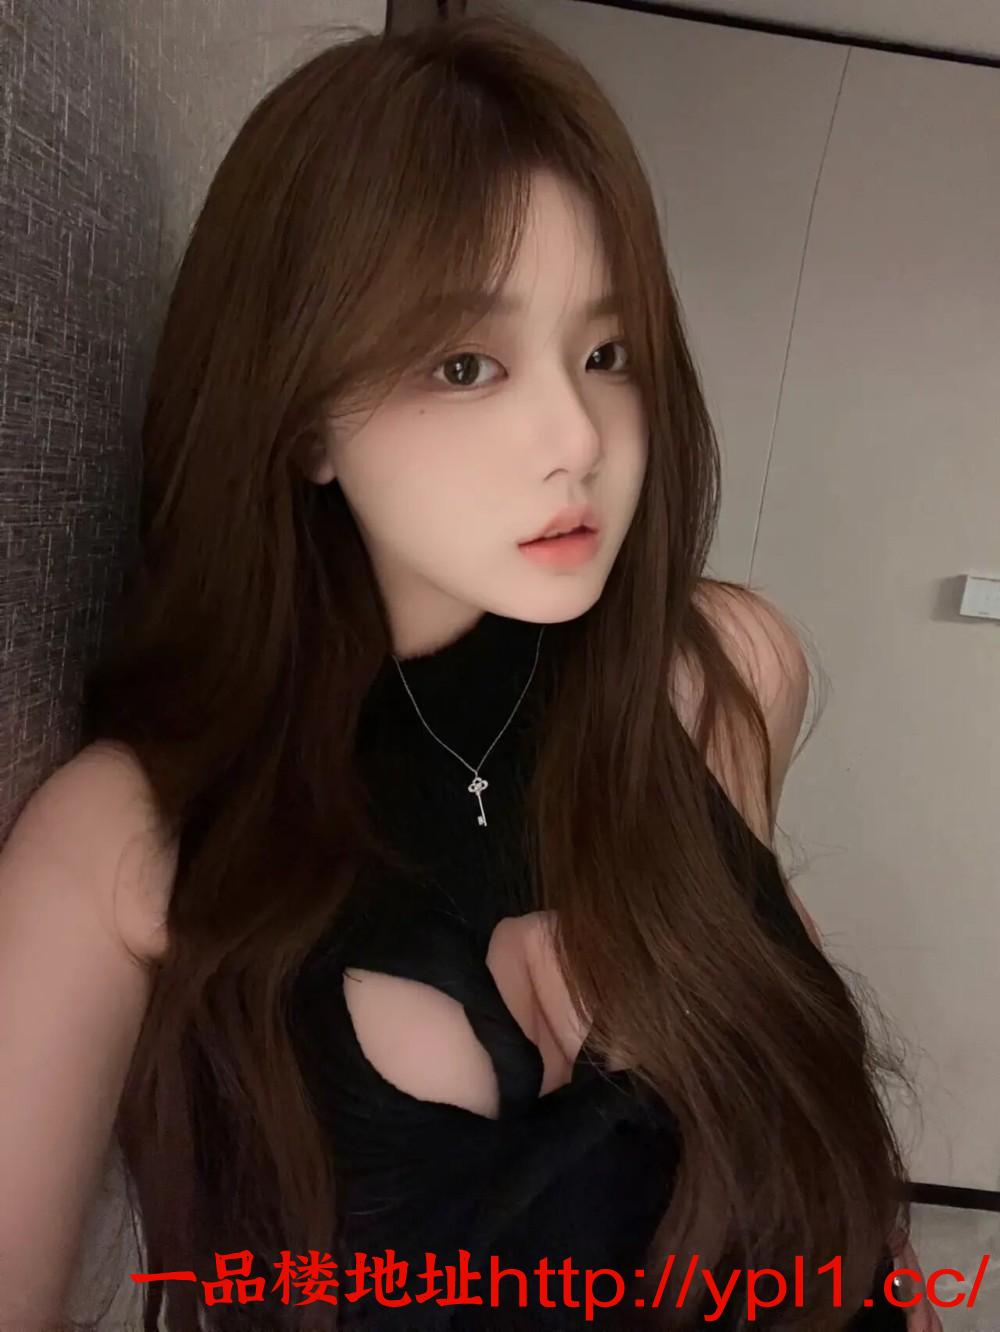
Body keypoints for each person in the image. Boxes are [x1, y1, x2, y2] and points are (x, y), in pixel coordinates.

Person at [0, 10, 944, 1332]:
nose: (579, 436)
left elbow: (813, 1144)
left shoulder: (715, 674)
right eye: (466, 363)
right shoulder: (126, 840)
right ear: (303, 416)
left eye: (606, 354)